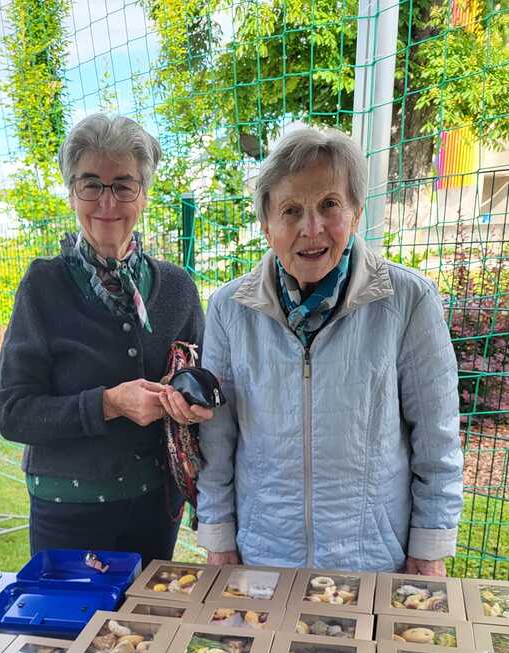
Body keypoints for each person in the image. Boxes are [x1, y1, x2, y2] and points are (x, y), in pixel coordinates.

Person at [196, 125, 463, 574]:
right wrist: (218, 535)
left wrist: (429, 547)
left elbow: (436, 438)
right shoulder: (229, 308)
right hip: (264, 557)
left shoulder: (407, 301)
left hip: (371, 561)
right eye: (291, 210)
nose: (312, 228)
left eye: (329, 205)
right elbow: (216, 441)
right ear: (266, 227)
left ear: (355, 214)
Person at [0, 113, 210, 567]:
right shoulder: (44, 287)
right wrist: (108, 404)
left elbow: (201, 384)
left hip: (155, 508)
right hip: (68, 513)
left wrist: (192, 403)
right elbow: (12, 413)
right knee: (73, 616)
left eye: (123, 185)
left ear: (144, 194)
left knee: (148, 615)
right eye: (91, 184)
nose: (107, 201)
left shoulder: (177, 289)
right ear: (72, 192)